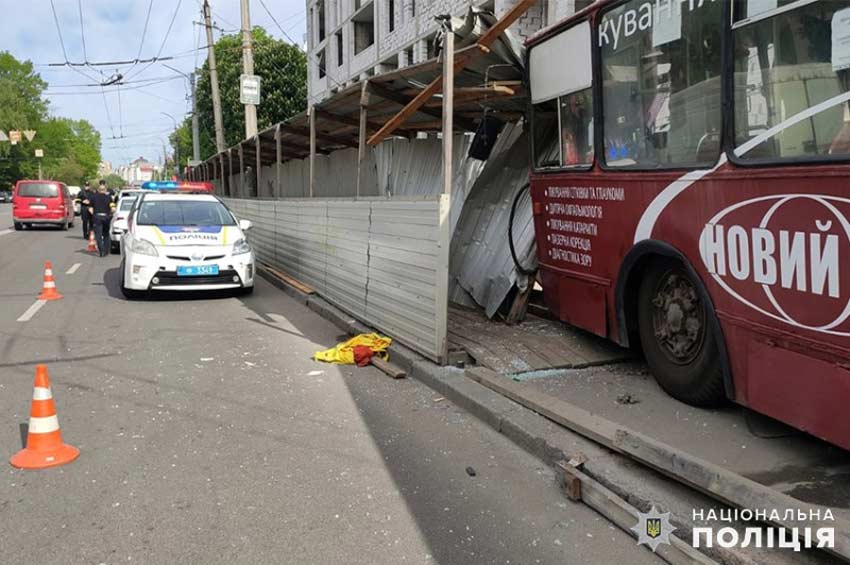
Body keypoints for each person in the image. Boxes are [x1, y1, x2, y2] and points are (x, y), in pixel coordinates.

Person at [88, 180, 115, 257]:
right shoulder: (109, 198)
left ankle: (101, 251)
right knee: (106, 234)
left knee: (98, 235)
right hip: (106, 217)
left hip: (97, 217)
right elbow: (113, 209)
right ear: (105, 190)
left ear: (98, 190)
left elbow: (90, 209)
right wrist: (110, 215)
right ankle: (106, 250)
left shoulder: (93, 197)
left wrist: (94, 215)